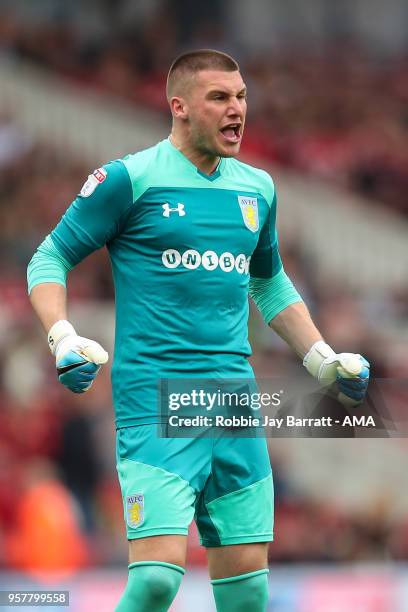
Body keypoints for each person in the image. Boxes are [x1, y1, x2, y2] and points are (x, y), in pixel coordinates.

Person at [27, 49, 370, 611]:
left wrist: (320, 358)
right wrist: (62, 335)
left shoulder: (257, 188)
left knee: (248, 592)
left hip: (233, 403)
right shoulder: (129, 179)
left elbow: (270, 282)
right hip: (156, 401)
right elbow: (48, 259)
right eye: (220, 98)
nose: (237, 110)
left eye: (241, 98)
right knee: (157, 581)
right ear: (179, 106)